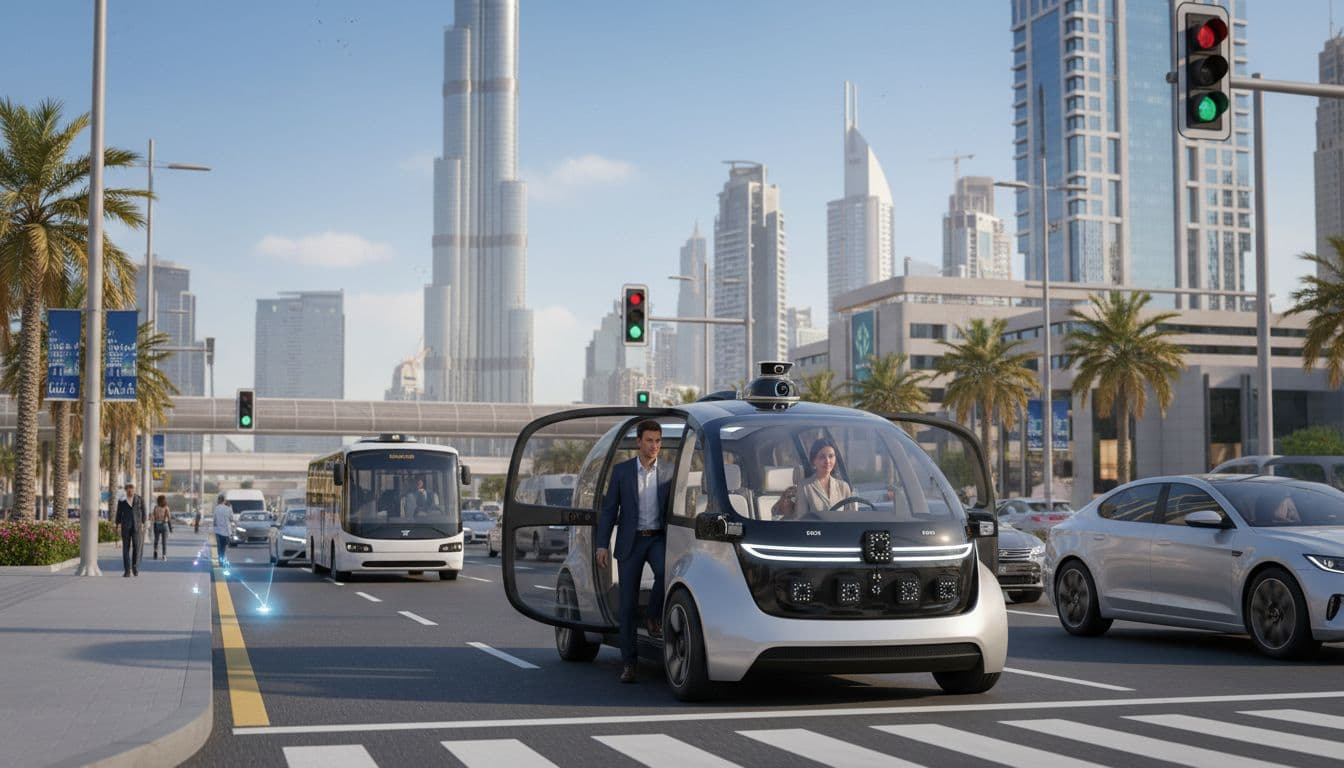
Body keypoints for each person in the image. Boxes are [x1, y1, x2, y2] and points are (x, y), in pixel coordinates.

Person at [595, 420, 673, 684]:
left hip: (657, 539)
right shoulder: (622, 472)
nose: (655, 446)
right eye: (650, 441)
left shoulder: (669, 473)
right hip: (631, 542)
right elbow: (609, 511)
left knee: (666, 574)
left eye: (658, 441)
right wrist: (602, 544)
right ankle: (629, 663)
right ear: (638, 442)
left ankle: (652, 615)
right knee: (627, 605)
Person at [772, 438, 855, 520]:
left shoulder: (844, 487)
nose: (827, 461)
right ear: (813, 460)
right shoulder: (804, 487)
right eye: (822, 457)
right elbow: (802, 520)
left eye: (831, 456)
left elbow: (852, 520)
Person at [115, 483, 147, 577]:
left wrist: (143, 523)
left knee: (137, 547)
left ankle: (134, 567)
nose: (130, 491)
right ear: (126, 490)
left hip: (137, 527)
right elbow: (119, 513)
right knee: (126, 548)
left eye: (132, 489)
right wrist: (117, 524)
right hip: (126, 526)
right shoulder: (122, 500)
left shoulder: (140, 499)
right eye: (128, 489)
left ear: (134, 490)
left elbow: (144, 512)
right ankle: (127, 570)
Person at [212, 494, 235, 567]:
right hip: (226, 532)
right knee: (223, 548)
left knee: (219, 548)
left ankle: (220, 562)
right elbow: (231, 519)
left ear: (219, 500)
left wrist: (215, 526)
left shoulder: (216, 508)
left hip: (218, 532)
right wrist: (230, 508)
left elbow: (214, 521)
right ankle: (222, 561)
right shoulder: (228, 509)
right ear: (223, 500)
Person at [150, 494, 173, 560]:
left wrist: (152, 523)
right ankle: (164, 555)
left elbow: (153, 516)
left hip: (156, 525)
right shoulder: (166, 507)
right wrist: (170, 528)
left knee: (156, 540)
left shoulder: (156, 507)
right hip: (164, 525)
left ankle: (155, 552)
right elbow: (169, 518)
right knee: (164, 541)